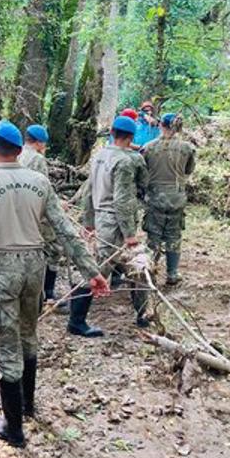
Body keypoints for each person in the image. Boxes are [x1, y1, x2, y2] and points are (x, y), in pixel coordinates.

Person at [0, 120, 109, 448]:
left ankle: (13, 427)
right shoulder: (39, 181)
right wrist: (92, 271)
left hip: (2, 267)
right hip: (35, 265)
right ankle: (27, 405)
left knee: (6, 345)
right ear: (20, 150)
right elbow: (65, 230)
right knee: (28, 334)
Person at [83, 116, 150, 328]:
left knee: (104, 262)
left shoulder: (100, 155)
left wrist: (89, 220)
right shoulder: (125, 161)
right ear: (131, 137)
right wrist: (130, 232)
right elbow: (122, 200)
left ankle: (79, 312)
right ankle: (141, 314)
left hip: (101, 215)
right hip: (116, 220)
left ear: (112, 133)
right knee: (134, 265)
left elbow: (88, 190)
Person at [142, 113, 196, 285]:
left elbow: (142, 173)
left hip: (154, 197)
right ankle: (172, 274)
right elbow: (188, 171)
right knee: (174, 236)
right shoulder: (187, 148)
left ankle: (150, 272)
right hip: (176, 197)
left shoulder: (149, 147)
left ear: (160, 125)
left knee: (153, 237)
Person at [18, 125, 62, 306]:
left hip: (18, 211)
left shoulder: (16, 154)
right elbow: (42, 188)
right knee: (53, 248)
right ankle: (48, 294)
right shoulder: (37, 159)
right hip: (36, 212)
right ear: (39, 142)